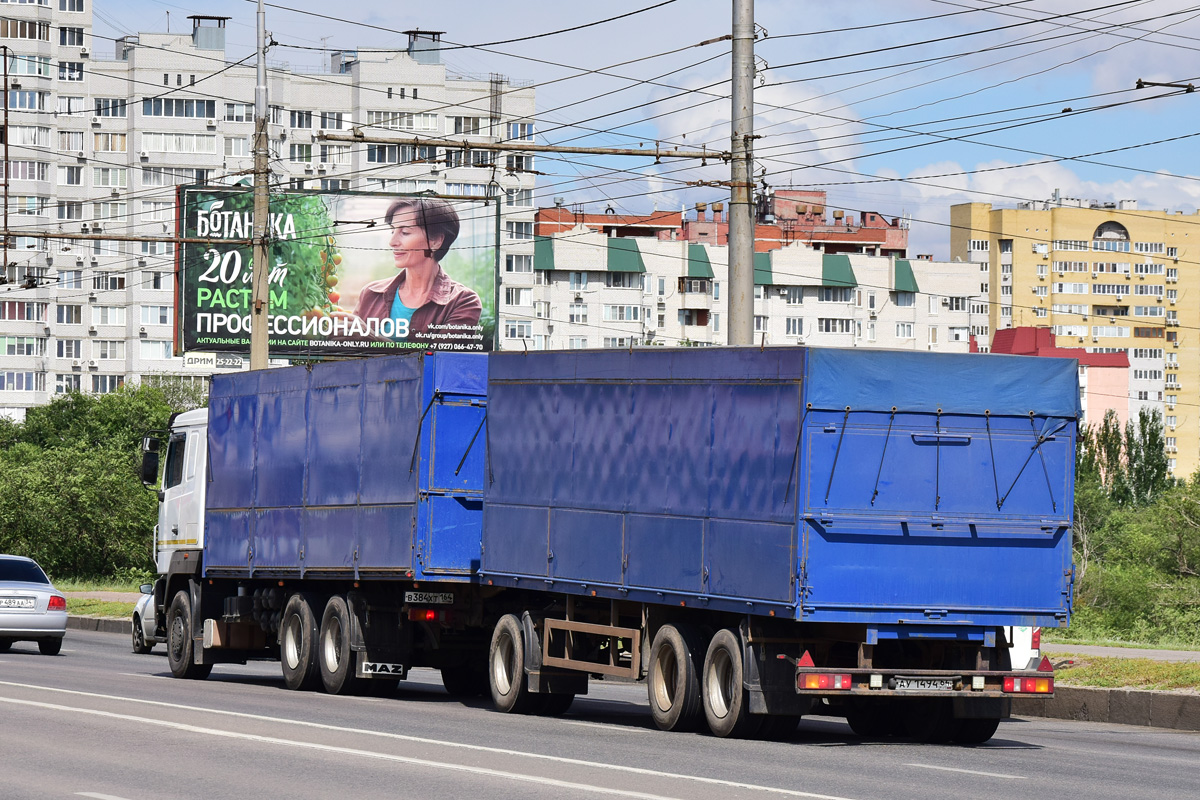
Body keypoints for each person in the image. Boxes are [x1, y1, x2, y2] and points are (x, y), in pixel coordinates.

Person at [352, 197, 481, 343]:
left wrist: (373, 339)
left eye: (405, 232)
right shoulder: (370, 293)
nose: (392, 242)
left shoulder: (463, 301)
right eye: (392, 231)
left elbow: (441, 360)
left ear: (436, 241)